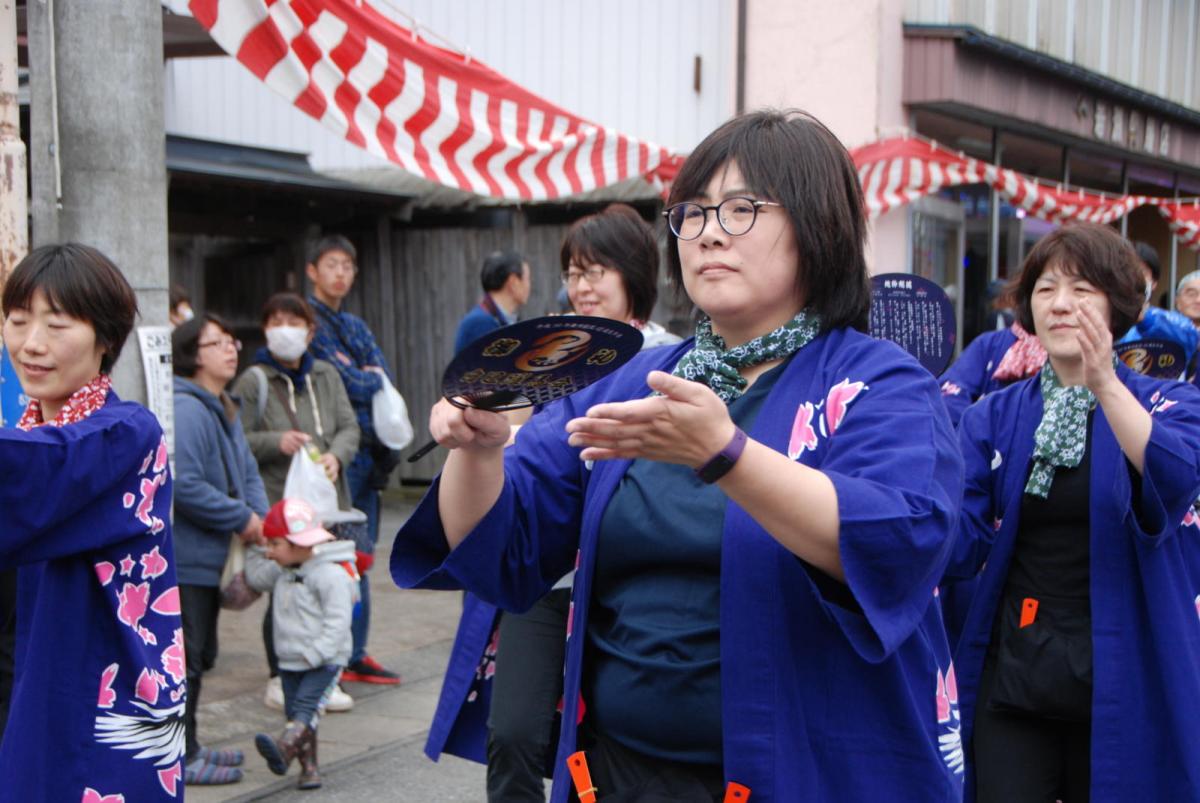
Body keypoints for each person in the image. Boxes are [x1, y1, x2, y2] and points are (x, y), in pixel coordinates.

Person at [393, 110, 965, 802]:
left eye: (742, 208)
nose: (709, 231)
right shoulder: (632, 376)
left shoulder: (882, 382)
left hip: (797, 774)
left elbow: (898, 538)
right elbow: (503, 541)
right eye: (692, 212)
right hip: (614, 772)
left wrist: (727, 454)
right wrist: (477, 450)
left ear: (819, 228)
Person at [427, 204, 682, 801]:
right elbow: (506, 440)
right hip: (545, 574)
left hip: (623, 580)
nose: (583, 286)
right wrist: (481, 427)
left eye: (597, 271)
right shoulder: (548, 350)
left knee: (611, 737)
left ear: (636, 275)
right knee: (512, 732)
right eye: (573, 271)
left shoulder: (675, 360)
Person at [946, 223, 1200, 802]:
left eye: (1082, 290)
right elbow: (955, 539)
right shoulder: (995, 414)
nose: (1061, 303)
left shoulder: (1169, 400)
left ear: (1119, 303)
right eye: (1046, 289)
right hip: (1015, 670)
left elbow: (1174, 480)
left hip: (1129, 668)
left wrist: (1105, 382)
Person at [0, 244, 183, 799]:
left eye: (57, 325)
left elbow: (45, 472)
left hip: (96, 707)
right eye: (16, 321)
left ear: (106, 338)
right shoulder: (26, 435)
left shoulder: (127, 434)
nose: (32, 343)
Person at [232, 292, 360, 713]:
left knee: (334, 585)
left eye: (294, 321)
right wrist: (276, 442)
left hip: (326, 501)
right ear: (266, 329)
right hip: (279, 504)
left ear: (310, 330)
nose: (285, 330)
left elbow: (348, 426)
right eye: (276, 321)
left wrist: (336, 456)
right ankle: (279, 675)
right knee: (285, 590)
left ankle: (328, 674)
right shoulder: (253, 381)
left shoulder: (325, 373)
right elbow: (237, 440)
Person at [173, 312, 270, 785]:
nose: (231, 348)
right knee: (187, 660)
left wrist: (260, 515)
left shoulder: (222, 404)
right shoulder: (188, 408)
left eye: (232, 340)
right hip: (187, 557)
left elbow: (247, 470)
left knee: (201, 655)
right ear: (192, 354)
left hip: (211, 555)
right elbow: (183, 484)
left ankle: (190, 745)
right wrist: (242, 519)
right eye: (216, 343)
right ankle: (180, 755)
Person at [304, 234, 402, 685]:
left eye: (347, 265)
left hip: (370, 456)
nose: (340, 273)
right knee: (331, 555)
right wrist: (366, 377)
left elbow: (380, 376)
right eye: (331, 264)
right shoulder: (309, 322)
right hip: (334, 456)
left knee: (361, 556)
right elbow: (352, 384)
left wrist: (366, 377)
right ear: (312, 270)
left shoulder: (356, 325)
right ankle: (333, 652)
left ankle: (355, 651)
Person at [247, 498, 360, 790]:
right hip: (289, 659)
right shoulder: (283, 571)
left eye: (275, 545)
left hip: (324, 659)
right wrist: (254, 547)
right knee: (295, 714)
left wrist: (317, 652)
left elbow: (339, 620)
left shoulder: (329, 574)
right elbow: (256, 578)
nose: (270, 552)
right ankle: (308, 768)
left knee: (304, 710)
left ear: (299, 545)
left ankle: (283, 749)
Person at [1116, 241, 1198, 363]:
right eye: (1126, 271)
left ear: (1154, 283)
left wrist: (1146, 319)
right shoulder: (1100, 315)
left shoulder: (1169, 320)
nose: (1133, 278)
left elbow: (1190, 338)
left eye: (1141, 272)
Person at [454, 250, 532, 355]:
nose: (529, 285)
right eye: (527, 279)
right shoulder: (479, 323)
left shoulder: (498, 319)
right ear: (513, 282)